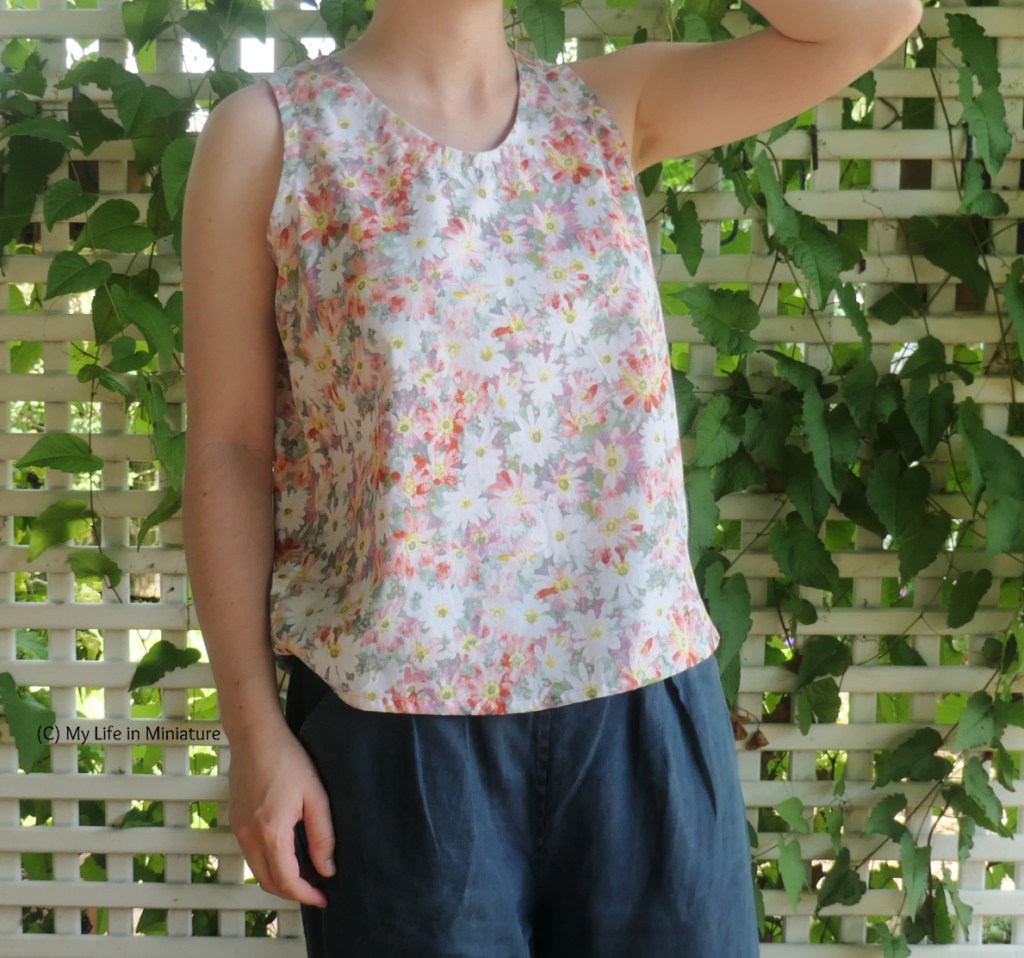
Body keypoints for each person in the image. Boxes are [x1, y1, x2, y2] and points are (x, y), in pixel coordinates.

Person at [181, 0, 922, 954]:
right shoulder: (272, 135)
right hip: (400, 728)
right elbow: (230, 452)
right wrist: (252, 732)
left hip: (638, 698)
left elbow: (872, 21)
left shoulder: (607, 109)